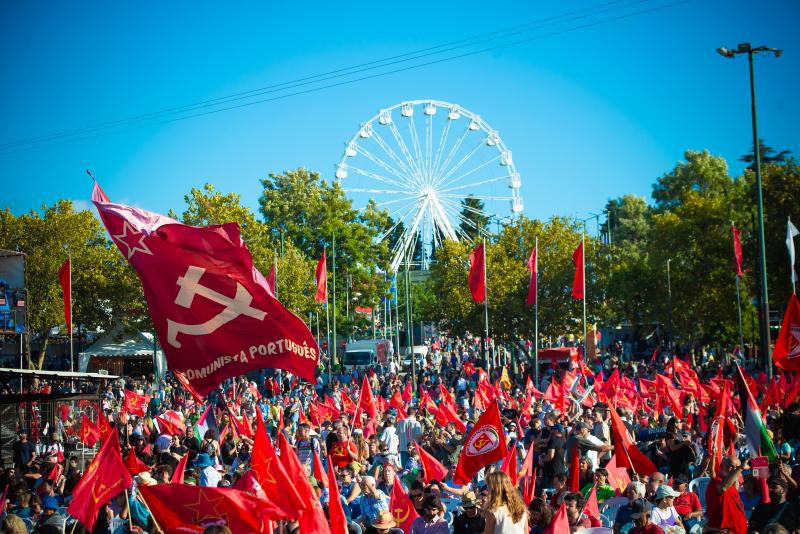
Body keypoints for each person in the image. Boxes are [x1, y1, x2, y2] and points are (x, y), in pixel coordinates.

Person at [705, 456, 748, 534]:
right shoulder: (715, 482)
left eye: (736, 467)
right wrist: (740, 468)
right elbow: (723, 487)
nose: (734, 469)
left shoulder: (733, 487)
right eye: (731, 466)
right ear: (721, 466)